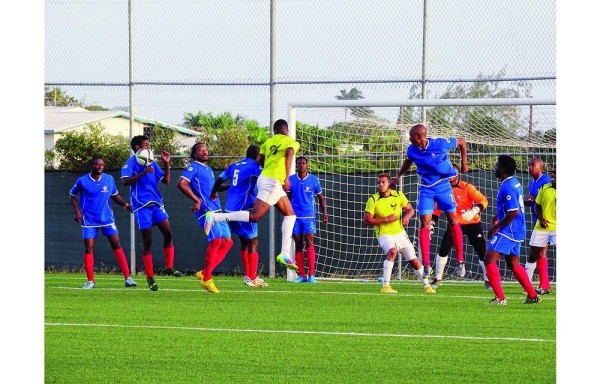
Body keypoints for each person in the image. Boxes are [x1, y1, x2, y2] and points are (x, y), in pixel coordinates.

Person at [204, 119, 300, 271]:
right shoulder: (291, 142)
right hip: (274, 181)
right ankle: (215, 217)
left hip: (267, 180)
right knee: (255, 216)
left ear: (275, 131)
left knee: (290, 215)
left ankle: (284, 253)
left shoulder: (268, 142)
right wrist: (287, 177)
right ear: (286, 130)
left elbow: (260, 161)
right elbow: (289, 152)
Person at [392, 124, 468, 280]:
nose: (410, 139)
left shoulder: (440, 143)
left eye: (412, 137)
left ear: (420, 136)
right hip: (426, 189)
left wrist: (464, 163)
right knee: (424, 223)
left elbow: (461, 141)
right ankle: (426, 265)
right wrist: (398, 176)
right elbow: (408, 161)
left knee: (453, 220)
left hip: (444, 187)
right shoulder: (412, 150)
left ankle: (460, 261)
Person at [121, 135, 181, 292]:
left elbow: (166, 181)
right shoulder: (130, 163)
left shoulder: (153, 162)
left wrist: (167, 164)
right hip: (141, 207)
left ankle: (169, 267)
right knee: (148, 243)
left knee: (168, 234)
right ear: (137, 147)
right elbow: (125, 181)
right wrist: (143, 173)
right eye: (146, 145)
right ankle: (150, 277)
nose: (148, 147)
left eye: (149, 145)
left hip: (157, 205)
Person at [70, 156, 137, 289]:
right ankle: (90, 281)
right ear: (92, 166)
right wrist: (76, 211)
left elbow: (114, 195)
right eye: (97, 164)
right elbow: (72, 195)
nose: (100, 166)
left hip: (107, 219)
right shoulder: (82, 181)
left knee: (116, 245)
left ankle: (128, 278)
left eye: (102, 164)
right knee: (89, 248)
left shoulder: (109, 179)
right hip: (89, 220)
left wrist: (126, 206)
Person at [364, 173, 436, 294]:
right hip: (384, 234)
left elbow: (410, 209)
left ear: (389, 184)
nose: (380, 185)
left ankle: (426, 285)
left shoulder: (398, 195)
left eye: (383, 182)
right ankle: (385, 286)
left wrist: (407, 217)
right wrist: (385, 220)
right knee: (392, 251)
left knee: (414, 260)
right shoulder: (373, 199)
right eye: (378, 182)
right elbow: (366, 220)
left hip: (400, 233)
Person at [484, 155, 541, 305]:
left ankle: (500, 299)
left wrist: (496, 227)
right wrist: (498, 215)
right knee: (513, 263)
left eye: (496, 165)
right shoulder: (514, 182)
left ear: (502, 169)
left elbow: (514, 212)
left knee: (489, 259)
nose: (494, 168)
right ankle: (532, 295)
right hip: (517, 229)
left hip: (510, 230)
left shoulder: (507, 186)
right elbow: (513, 207)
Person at [178, 143, 234, 293]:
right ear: (194, 154)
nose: (204, 152)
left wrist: (231, 186)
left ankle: (204, 272)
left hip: (218, 210)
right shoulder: (194, 167)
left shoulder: (208, 169)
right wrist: (197, 200)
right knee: (216, 241)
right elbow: (182, 184)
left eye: (206, 149)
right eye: (200, 150)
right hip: (206, 211)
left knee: (228, 242)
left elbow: (212, 189)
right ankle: (207, 278)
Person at [210, 145, 268, 288]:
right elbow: (266, 180)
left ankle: (248, 276)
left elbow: (219, 179)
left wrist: (213, 193)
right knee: (253, 242)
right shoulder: (254, 166)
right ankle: (251, 277)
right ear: (257, 155)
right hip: (244, 209)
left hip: (229, 209)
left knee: (244, 242)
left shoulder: (234, 165)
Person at [430, 165, 490, 289]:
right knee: (443, 248)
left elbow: (483, 200)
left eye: (453, 174)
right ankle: (437, 278)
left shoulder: (467, 187)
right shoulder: (443, 190)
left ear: (458, 174)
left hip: (472, 223)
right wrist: (431, 224)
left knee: (482, 251)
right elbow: (437, 210)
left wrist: (474, 211)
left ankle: (488, 279)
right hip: (454, 224)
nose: (451, 178)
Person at [288, 156, 329, 283]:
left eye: (304, 163)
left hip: (309, 217)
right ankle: (301, 275)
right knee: (298, 244)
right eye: (299, 163)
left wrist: (324, 214)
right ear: (296, 165)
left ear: (307, 165)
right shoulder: (290, 180)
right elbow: (287, 198)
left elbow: (320, 198)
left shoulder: (313, 180)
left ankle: (311, 275)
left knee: (309, 242)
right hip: (295, 217)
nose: (301, 165)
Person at [528, 169, 556, 295]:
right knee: (537, 252)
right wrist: (541, 218)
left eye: (556, 173)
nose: (553, 175)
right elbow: (537, 205)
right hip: (542, 226)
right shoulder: (545, 187)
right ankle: (544, 286)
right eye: (552, 173)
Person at [524, 158, 552, 282]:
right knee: (539, 251)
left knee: (538, 251)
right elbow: (536, 203)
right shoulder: (532, 182)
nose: (530, 167)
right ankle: (542, 284)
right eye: (529, 165)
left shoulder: (546, 180)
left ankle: (531, 283)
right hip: (538, 220)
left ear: (541, 167)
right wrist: (528, 201)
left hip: (547, 221)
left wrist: (534, 198)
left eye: (533, 165)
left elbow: (547, 200)